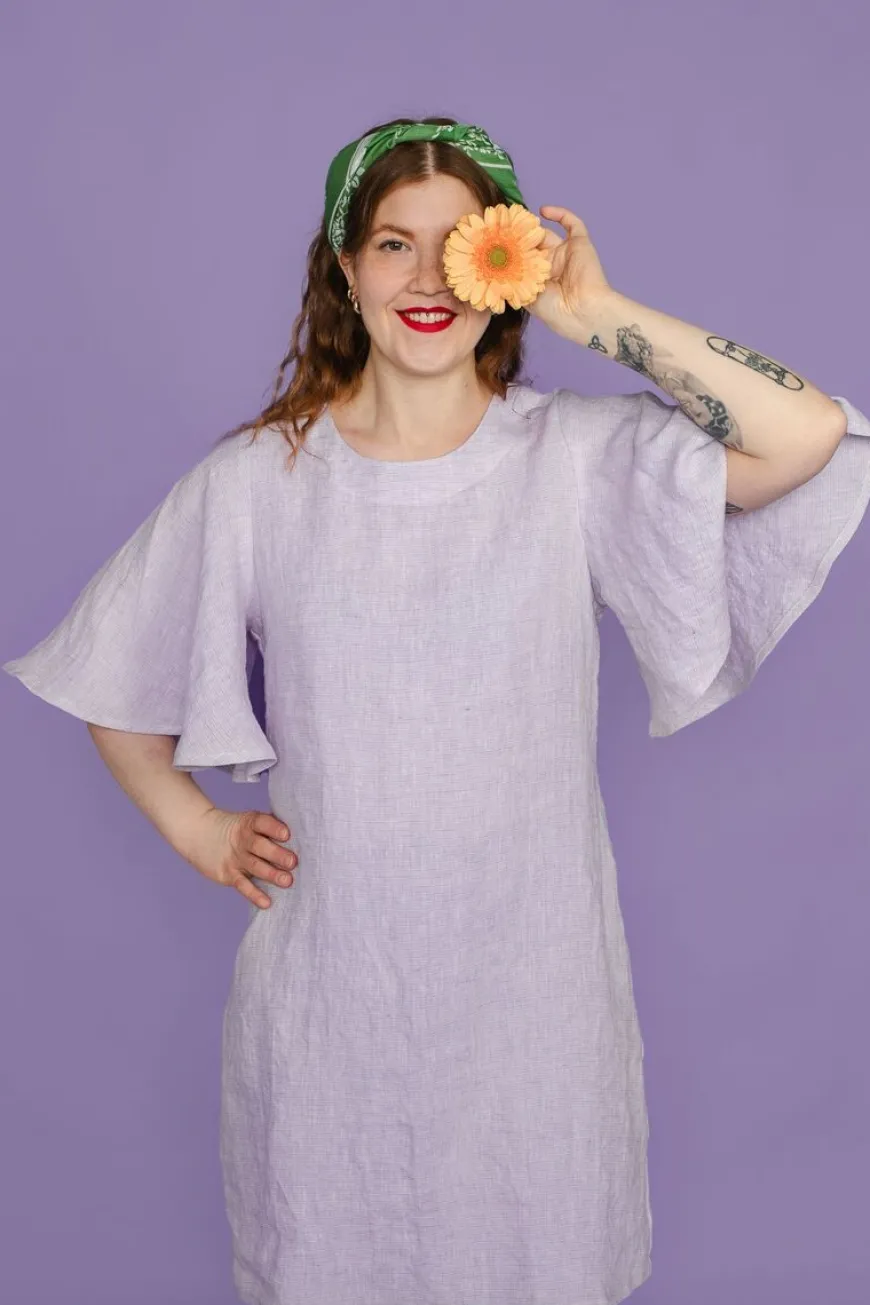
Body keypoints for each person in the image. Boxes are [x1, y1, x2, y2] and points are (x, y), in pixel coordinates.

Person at [3, 115, 870, 1305]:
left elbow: (808, 433)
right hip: (332, 1014)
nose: (424, 279)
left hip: (536, 1014)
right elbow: (113, 669)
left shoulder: (571, 460)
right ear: (345, 269)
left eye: (458, 246)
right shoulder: (260, 481)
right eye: (392, 244)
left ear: (503, 269)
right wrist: (198, 827)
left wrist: (593, 313)